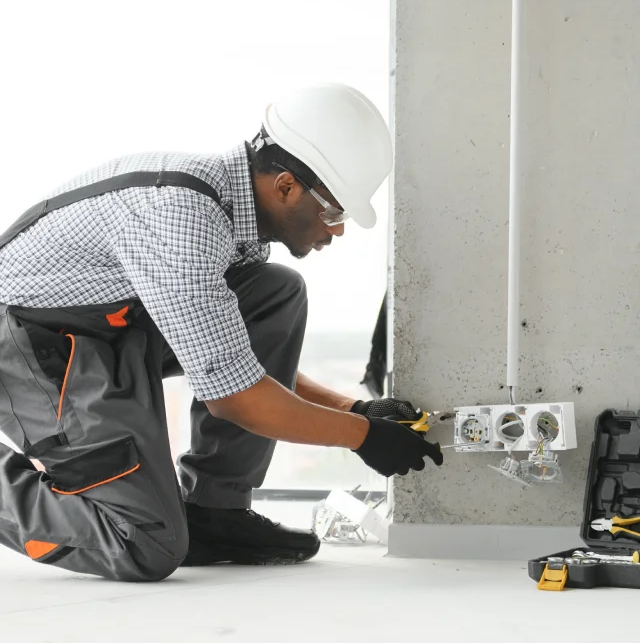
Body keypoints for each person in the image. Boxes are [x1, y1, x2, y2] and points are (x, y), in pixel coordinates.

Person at [0, 83, 443, 583]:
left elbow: (231, 360)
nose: (336, 230)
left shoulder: (233, 220)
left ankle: (216, 513)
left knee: (274, 291)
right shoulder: (182, 221)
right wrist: (362, 437)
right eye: (335, 211)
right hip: (36, 345)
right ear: (286, 187)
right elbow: (235, 397)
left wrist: (354, 410)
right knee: (142, 542)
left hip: (111, 329)